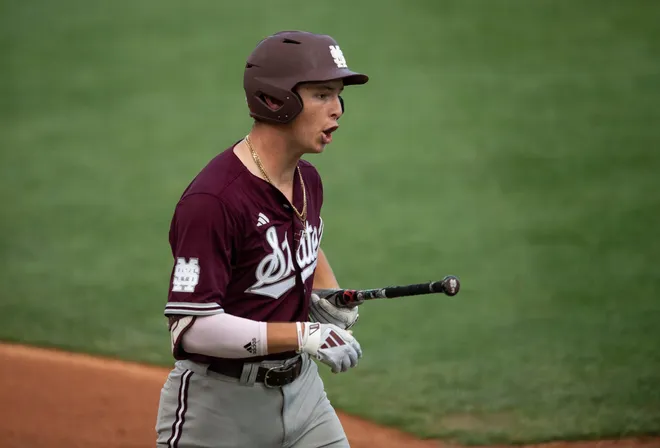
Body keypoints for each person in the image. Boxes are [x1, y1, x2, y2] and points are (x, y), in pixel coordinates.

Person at [155, 30, 369, 448]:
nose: (338, 110)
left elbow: (302, 235)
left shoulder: (307, 178)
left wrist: (327, 294)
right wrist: (305, 335)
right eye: (323, 95)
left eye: (339, 95)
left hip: (305, 399)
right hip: (219, 412)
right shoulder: (212, 201)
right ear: (276, 99)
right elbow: (191, 327)